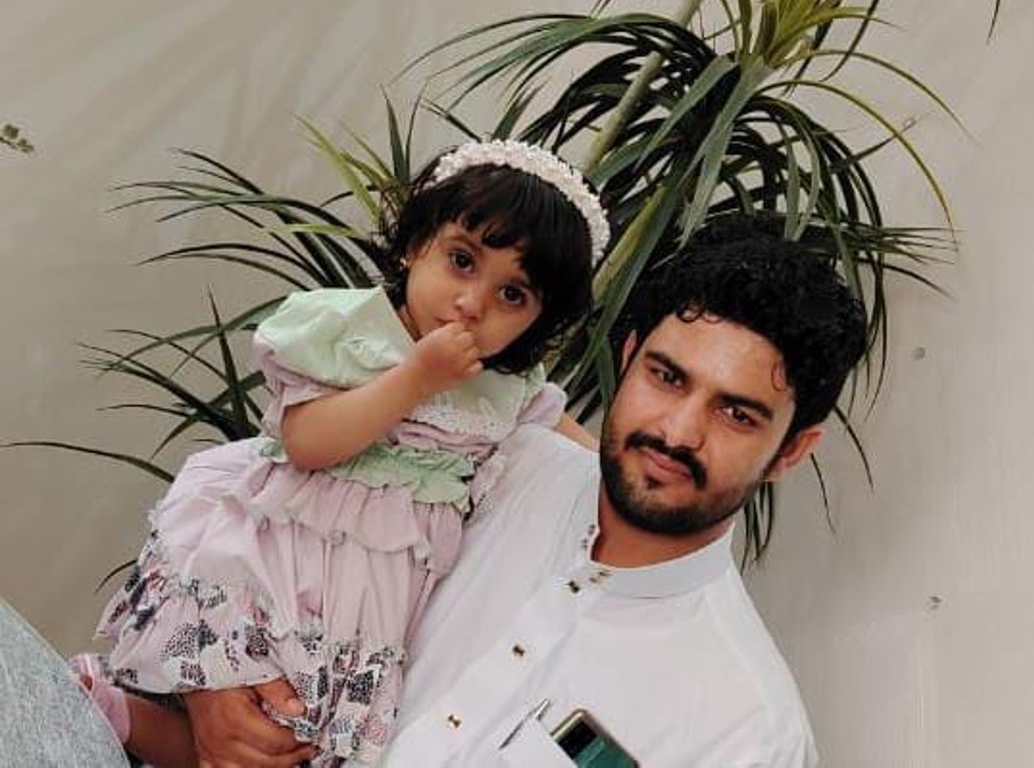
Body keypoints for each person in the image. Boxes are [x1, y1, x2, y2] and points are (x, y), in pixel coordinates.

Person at [185, 214, 868, 767]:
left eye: (736, 414)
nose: (678, 431)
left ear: (791, 450)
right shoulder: (488, 458)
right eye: (667, 378)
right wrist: (212, 684)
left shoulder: (745, 730)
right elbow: (245, 499)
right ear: (628, 357)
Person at [73, 139, 610, 767]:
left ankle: (112, 712)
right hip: (281, 565)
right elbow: (306, 443)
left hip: (365, 608)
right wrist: (415, 378)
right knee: (254, 719)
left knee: (292, 748)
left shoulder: (506, 388)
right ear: (415, 246)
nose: (473, 303)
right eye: (462, 261)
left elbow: (585, 449)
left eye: (513, 295)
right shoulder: (350, 332)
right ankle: (119, 709)